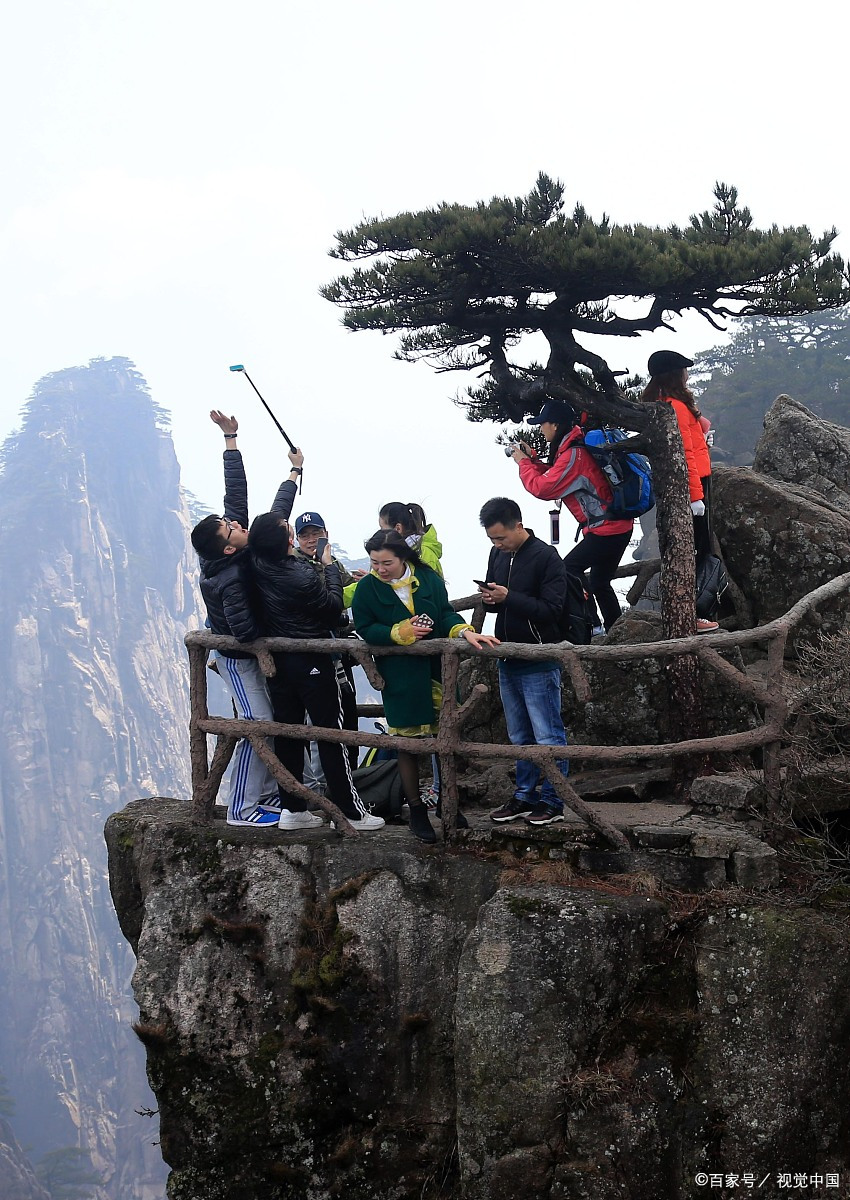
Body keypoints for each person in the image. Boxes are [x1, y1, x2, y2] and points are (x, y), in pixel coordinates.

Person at [190, 410, 303, 829]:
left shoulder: (234, 551)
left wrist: (231, 439)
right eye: (228, 527)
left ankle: (267, 796)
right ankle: (241, 809)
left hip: (255, 658)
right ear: (228, 549)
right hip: (240, 658)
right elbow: (242, 631)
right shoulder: (231, 578)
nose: (234, 522)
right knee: (260, 727)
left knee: (267, 725)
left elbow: (244, 500)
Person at [351, 529, 498, 843]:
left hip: (436, 673)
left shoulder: (428, 579)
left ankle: (449, 803)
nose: (379, 568)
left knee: (445, 736)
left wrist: (463, 632)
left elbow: (444, 614)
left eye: (386, 562)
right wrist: (398, 631)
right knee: (406, 745)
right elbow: (365, 627)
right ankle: (416, 810)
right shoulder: (366, 589)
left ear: (403, 557)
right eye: (375, 562)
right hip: (400, 676)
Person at [248, 505, 385, 832]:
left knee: (289, 734)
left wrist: (293, 476)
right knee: (331, 735)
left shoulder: (257, 564)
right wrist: (329, 568)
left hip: (280, 663)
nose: (297, 535)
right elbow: (332, 607)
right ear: (284, 540)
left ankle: (293, 809)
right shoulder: (300, 573)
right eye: (291, 529)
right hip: (313, 661)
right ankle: (350, 812)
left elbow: (272, 520)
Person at [477, 497, 570, 826]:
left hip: (538, 657)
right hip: (506, 656)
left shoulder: (546, 557)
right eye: (492, 540)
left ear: (519, 526)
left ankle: (553, 800)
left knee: (548, 735)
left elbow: (551, 610)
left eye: (501, 538)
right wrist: (490, 599)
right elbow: (495, 604)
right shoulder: (497, 555)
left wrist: (508, 598)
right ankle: (525, 795)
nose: (497, 545)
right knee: (519, 736)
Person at [508, 399, 632, 634]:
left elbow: (543, 488)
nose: (540, 428)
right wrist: (532, 461)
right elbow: (557, 475)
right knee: (599, 582)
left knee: (568, 570)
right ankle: (616, 630)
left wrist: (524, 464)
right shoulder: (574, 447)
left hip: (607, 529)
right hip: (617, 524)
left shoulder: (573, 453)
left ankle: (592, 625)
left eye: (542, 424)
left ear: (554, 425)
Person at [642, 350, 719, 633]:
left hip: (690, 483)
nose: (687, 374)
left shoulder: (667, 403)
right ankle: (694, 613)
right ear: (674, 374)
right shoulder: (673, 405)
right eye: (683, 370)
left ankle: (695, 611)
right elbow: (684, 455)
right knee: (697, 549)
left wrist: (703, 433)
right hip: (691, 485)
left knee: (693, 548)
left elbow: (692, 444)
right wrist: (696, 496)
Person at [292, 509, 366, 770]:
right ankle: (325, 784)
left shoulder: (333, 562)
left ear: (326, 534)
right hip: (312, 653)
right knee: (320, 721)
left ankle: (351, 776)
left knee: (347, 715)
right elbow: (326, 603)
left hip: (339, 652)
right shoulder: (295, 566)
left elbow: (345, 593)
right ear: (296, 540)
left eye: (316, 534)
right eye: (305, 536)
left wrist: (365, 583)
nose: (311, 540)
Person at [378, 502, 444, 576]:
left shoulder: (423, 554)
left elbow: (424, 586)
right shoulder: (404, 551)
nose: (380, 532)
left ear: (398, 528)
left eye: (382, 528)